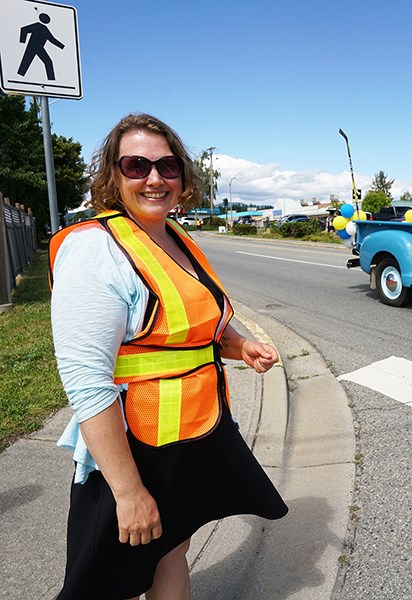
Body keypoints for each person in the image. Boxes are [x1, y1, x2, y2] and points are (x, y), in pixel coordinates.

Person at [48, 113, 288, 600]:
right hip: (132, 448)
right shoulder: (96, 248)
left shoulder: (176, 238)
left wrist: (240, 345)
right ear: (113, 177)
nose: (155, 178)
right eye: (136, 165)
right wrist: (128, 491)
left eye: (168, 165)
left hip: (189, 437)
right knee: (103, 581)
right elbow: (86, 382)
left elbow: (194, 326)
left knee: (171, 551)